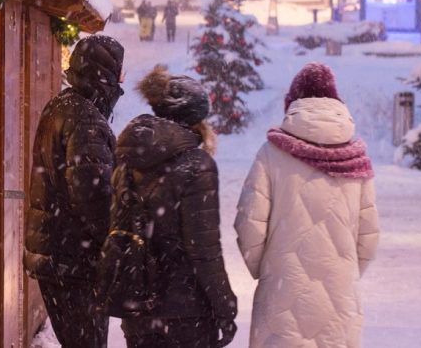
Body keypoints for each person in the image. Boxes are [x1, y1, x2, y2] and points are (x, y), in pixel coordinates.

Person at [235, 63, 379, 348]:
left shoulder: (272, 153)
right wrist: (344, 270)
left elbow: (249, 223)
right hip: (339, 293)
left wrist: (268, 269)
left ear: (292, 102)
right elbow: (369, 236)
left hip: (282, 290)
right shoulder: (356, 156)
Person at [104, 64, 236, 348]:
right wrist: (225, 306)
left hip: (138, 304)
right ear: (195, 118)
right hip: (186, 313)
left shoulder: (129, 155)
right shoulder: (197, 166)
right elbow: (203, 250)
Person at [24, 34, 124, 348]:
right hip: (74, 261)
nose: (122, 83)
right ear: (103, 77)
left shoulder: (62, 107)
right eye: (119, 75)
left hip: (58, 255)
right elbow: (94, 198)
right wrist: (115, 242)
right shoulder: (86, 121)